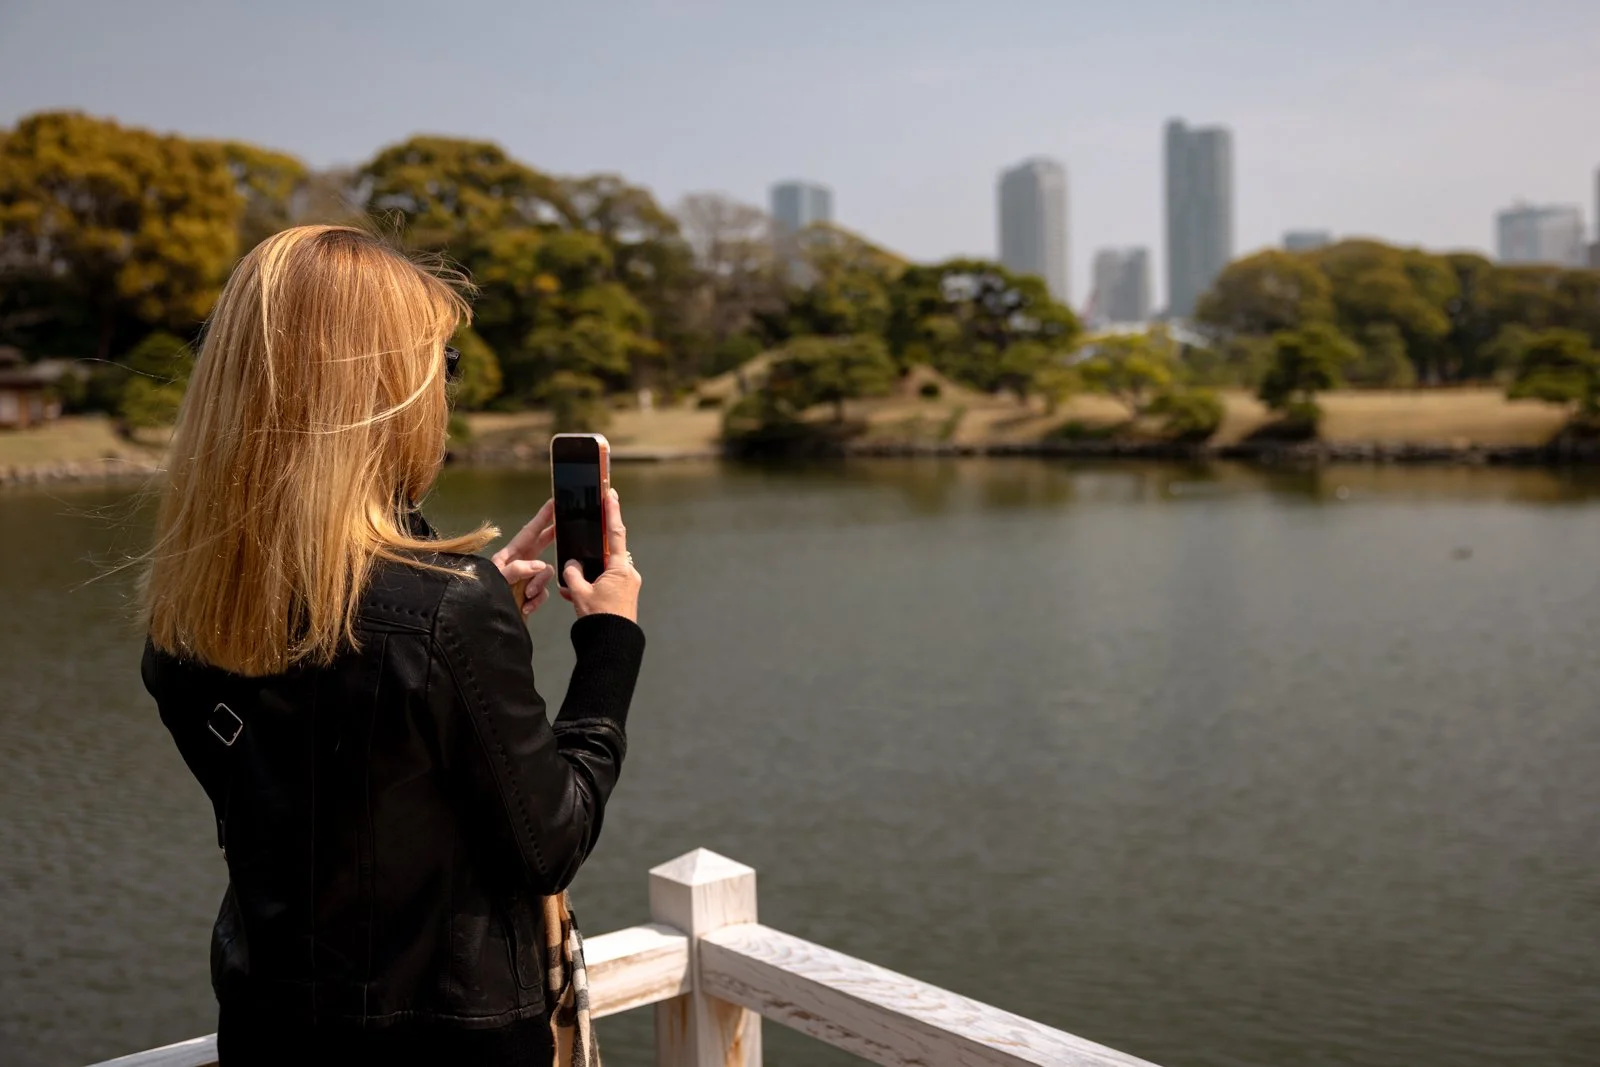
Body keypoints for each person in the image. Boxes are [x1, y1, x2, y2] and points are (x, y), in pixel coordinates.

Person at [139, 225, 644, 1066]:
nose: (445, 389)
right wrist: (608, 641)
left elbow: (324, 779)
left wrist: (466, 640)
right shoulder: (444, 612)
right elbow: (552, 838)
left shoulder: (187, 607)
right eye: (440, 363)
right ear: (378, 388)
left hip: (268, 1026)